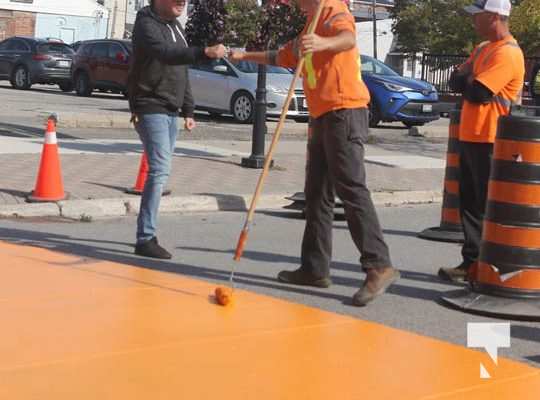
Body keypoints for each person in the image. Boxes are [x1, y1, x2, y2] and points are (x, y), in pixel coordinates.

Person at [230, 0, 399, 306]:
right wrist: (241, 54)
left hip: (344, 110)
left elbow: (347, 38)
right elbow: (282, 56)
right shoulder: (310, 22)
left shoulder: (332, 9)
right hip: (323, 114)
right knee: (316, 194)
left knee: (351, 188)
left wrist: (322, 42)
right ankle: (314, 268)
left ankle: (379, 265)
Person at [128, 0, 226, 259]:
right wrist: (204, 52)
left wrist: (189, 109)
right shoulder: (145, 24)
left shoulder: (176, 27)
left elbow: (181, 69)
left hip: (171, 109)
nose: (182, 2)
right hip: (149, 104)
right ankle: (145, 238)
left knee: (161, 170)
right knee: (159, 170)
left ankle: (146, 234)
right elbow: (165, 53)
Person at [439, 0, 525, 282]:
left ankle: (494, 268)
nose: (473, 21)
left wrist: (469, 77)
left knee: (488, 206)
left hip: (492, 139)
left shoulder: (509, 54)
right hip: (471, 135)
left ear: (495, 16)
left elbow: (477, 92)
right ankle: (472, 263)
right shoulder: (482, 49)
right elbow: (455, 83)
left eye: (478, 16)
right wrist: (468, 78)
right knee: (470, 205)